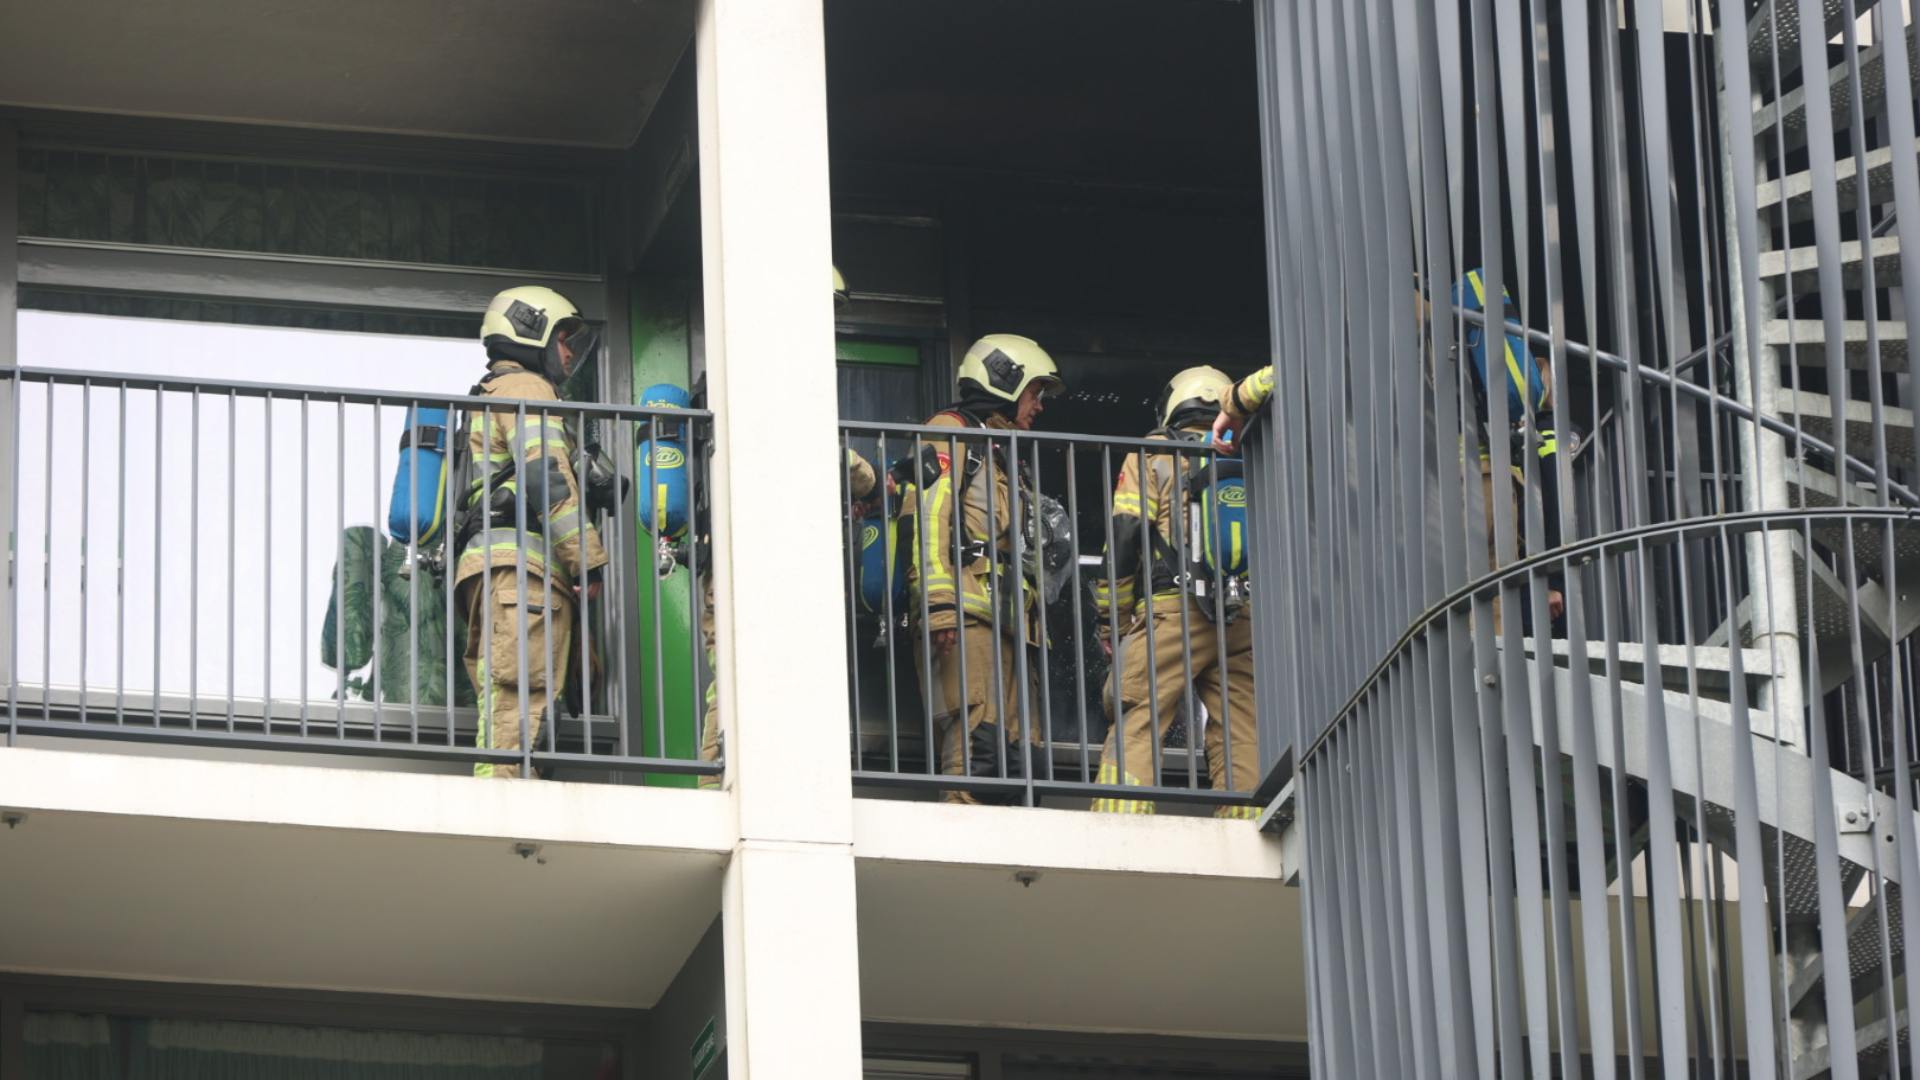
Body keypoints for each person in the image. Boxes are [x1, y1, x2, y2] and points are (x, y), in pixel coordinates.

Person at [1214, 272, 1568, 630]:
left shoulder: (1379, 307)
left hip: (1438, 488)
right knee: (1490, 621)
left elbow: (1304, 368)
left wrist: (1234, 400)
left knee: (1423, 624)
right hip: (1495, 480)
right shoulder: (1450, 313)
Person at [695, 268, 876, 788]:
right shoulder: (780, 371)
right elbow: (827, 450)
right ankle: (733, 789)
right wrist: (867, 485)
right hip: (762, 560)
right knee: (759, 680)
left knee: (733, 682)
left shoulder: (738, 365)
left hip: (733, 558)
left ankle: (730, 786)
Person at [454, 286, 610, 779]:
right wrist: (588, 558)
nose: (568, 352)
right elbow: (549, 480)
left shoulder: (489, 394)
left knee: (500, 688)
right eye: (562, 338)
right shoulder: (528, 389)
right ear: (530, 330)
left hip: (490, 570)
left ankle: (496, 779)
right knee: (521, 687)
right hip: (523, 573)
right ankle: (506, 792)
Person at [902, 333, 1064, 804]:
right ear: (1006, 384)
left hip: (1009, 624)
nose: (1039, 407)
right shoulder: (949, 432)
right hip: (965, 619)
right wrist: (940, 609)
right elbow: (925, 520)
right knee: (976, 752)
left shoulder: (998, 450)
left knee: (1017, 760)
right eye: (1035, 393)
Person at [1093, 367, 1258, 818]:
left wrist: (1114, 618)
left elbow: (1125, 534)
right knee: (1241, 723)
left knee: (1141, 709)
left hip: (1173, 609)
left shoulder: (1153, 454)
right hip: (1242, 613)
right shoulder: (1250, 453)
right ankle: (1245, 821)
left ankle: (1119, 814)